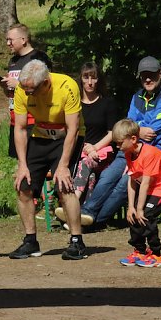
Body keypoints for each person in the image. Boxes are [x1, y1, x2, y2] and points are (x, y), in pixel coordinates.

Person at [78, 56, 161, 226]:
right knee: (109, 174)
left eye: (151, 75)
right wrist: (138, 130)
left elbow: (152, 132)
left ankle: (96, 222)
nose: (148, 79)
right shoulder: (137, 97)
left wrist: (137, 127)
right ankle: (86, 213)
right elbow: (127, 126)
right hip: (133, 147)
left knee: (126, 181)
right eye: (144, 76)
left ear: (160, 74)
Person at [10, 59, 87, 260]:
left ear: (46, 83)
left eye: (31, 90)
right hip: (41, 136)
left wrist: (62, 165)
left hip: (67, 138)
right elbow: (19, 128)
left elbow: (73, 129)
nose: (27, 94)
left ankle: (76, 241)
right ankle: (30, 241)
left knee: (64, 186)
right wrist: (22, 165)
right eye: (24, 89)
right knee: (23, 185)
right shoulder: (22, 89)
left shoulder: (67, 86)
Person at [56, 62, 119, 227]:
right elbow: (68, 130)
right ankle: (82, 217)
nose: (90, 82)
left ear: (99, 80)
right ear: (81, 80)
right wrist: (84, 148)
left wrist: (94, 148)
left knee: (85, 164)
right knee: (89, 176)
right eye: (86, 77)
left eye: (94, 78)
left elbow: (112, 133)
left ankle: (71, 205)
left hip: (101, 153)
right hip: (80, 151)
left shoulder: (108, 103)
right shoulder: (74, 104)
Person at [113, 119, 161, 268]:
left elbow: (145, 183)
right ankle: (140, 251)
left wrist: (140, 209)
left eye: (120, 143)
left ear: (133, 139)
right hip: (148, 188)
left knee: (146, 215)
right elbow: (132, 180)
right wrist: (131, 207)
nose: (118, 147)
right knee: (133, 215)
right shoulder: (129, 154)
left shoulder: (149, 153)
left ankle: (156, 255)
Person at [0, 23, 52, 158]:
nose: (8, 43)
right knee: (20, 160)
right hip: (15, 118)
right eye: (6, 40)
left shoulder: (39, 57)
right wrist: (6, 87)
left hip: (34, 119)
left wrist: (18, 84)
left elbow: (47, 87)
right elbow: (12, 93)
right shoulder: (13, 61)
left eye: (11, 40)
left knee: (36, 161)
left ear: (23, 40)